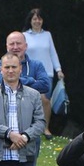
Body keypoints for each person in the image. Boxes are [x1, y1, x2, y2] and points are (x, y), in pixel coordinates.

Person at [23, 8, 64, 139]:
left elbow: (53, 53)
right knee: (29, 100)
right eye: (34, 18)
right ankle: (29, 126)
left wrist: (58, 70)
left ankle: (45, 128)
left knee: (46, 101)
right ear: (30, 20)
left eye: (39, 19)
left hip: (46, 72)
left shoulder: (47, 35)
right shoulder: (24, 35)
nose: (37, 21)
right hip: (30, 72)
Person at [0, 31, 50, 100]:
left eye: (18, 43)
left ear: (26, 46)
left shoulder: (37, 65)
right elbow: (2, 82)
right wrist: (31, 80)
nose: (15, 47)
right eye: (12, 44)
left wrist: (15, 83)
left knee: (44, 99)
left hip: (31, 106)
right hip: (5, 105)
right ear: (7, 47)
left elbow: (45, 85)